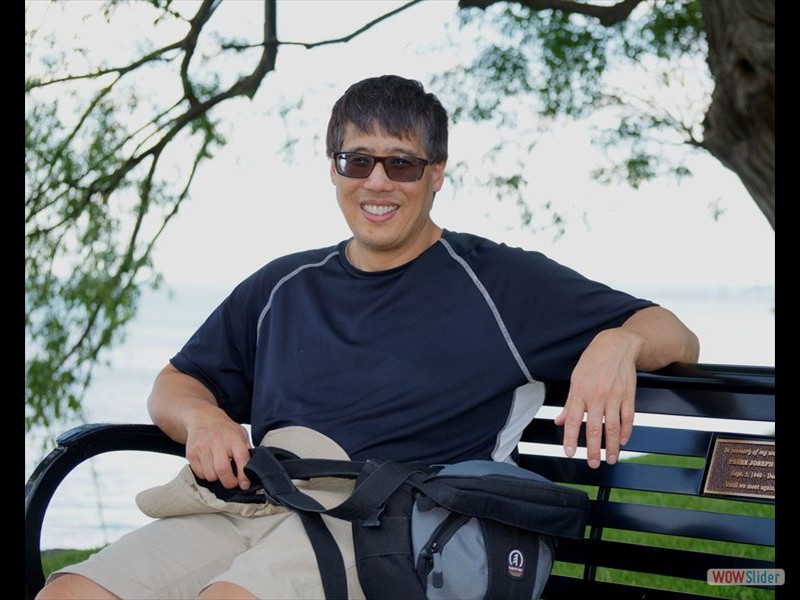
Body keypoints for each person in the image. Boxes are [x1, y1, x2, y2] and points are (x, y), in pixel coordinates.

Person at [37, 74, 699, 600]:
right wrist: (204, 417)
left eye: (402, 164)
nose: (377, 181)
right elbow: (176, 384)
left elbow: (674, 333)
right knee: (70, 590)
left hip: (383, 527)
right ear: (334, 169)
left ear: (437, 174)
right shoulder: (281, 286)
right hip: (253, 506)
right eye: (358, 160)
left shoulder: (500, 284)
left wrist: (619, 344)